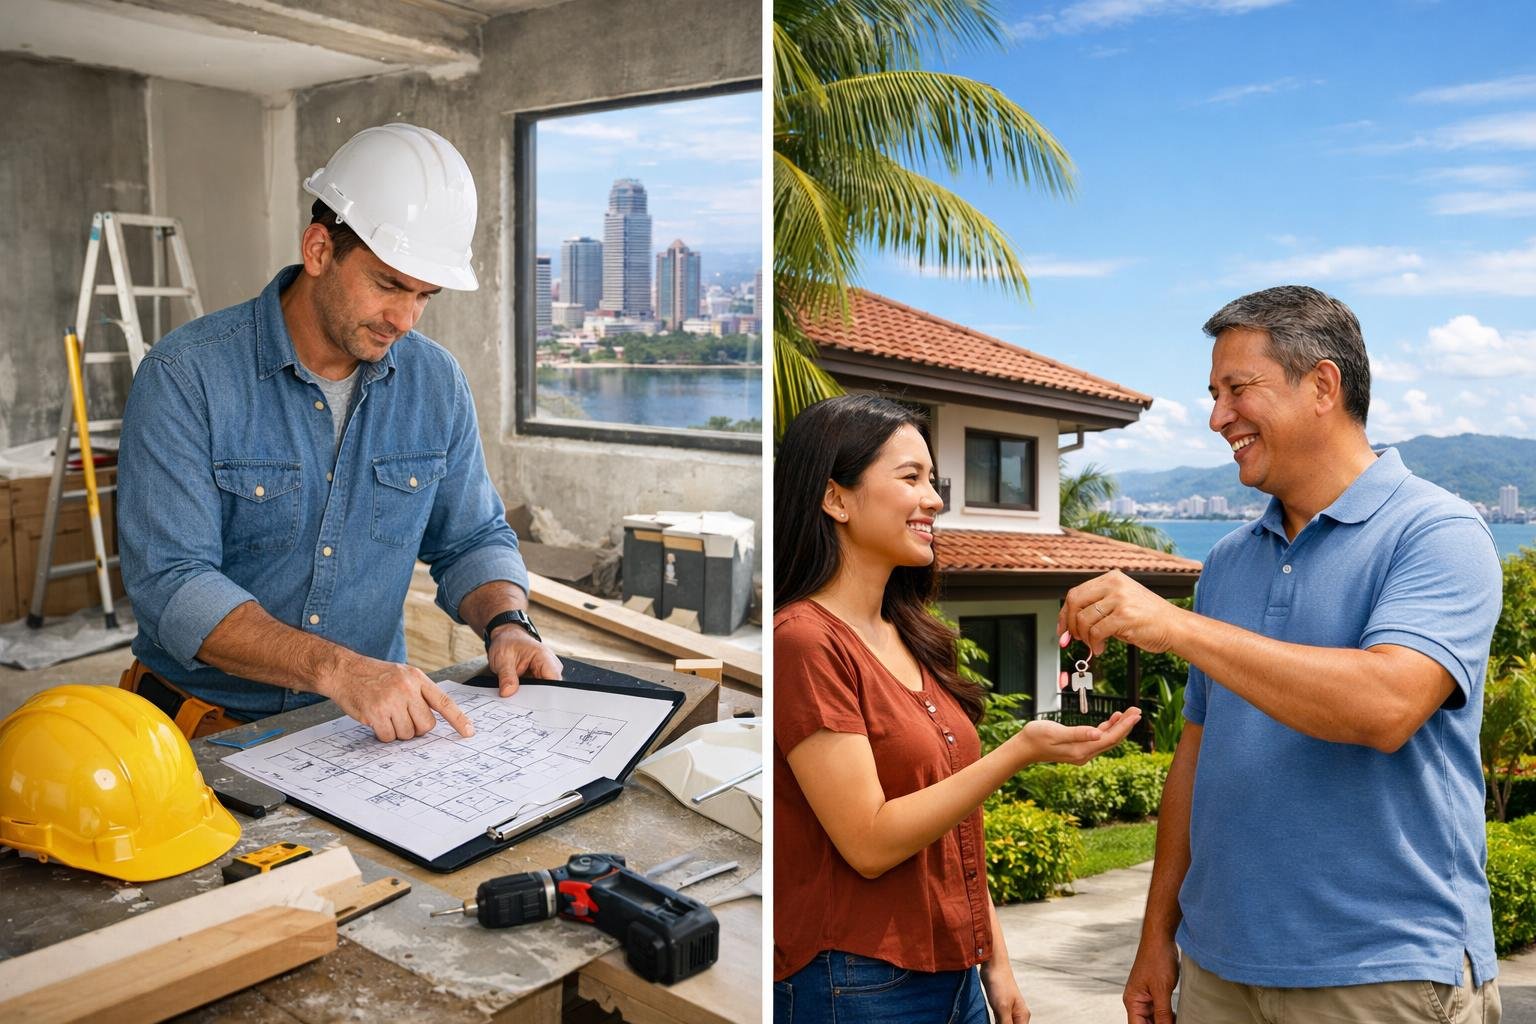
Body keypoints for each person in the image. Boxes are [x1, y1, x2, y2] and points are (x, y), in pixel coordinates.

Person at [1055, 286, 1503, 1023]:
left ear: (1322, 385)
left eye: (1238, 389)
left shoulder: (1437, 533)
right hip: (1216, 972)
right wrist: (1156, 938)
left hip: (1382, 970)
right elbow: (1196, 757)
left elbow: (1385, 706)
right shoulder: (1230, 561)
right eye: (1213, 394)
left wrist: (1177, 628)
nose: (1217, 416)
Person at [118, 123, 562, 744]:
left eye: (424, 295)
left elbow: (471, 537)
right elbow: (173, 584)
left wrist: (508, 624)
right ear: (320, 249)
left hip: (353, 733)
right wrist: (340, 670)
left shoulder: (435, 383)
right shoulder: (186, 377)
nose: (403, 319)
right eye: (387, 285)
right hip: (197, 728)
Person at [774, 394, 1142, 1023]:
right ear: (836, 498)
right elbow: (869, 841)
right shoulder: (805, 641)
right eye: (910, 478)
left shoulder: (909, 632)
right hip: (856, 983)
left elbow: (952, 832)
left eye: (934, 480)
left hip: (953, 976)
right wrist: (1020, 750)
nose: (936, 499)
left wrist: (994, 964)